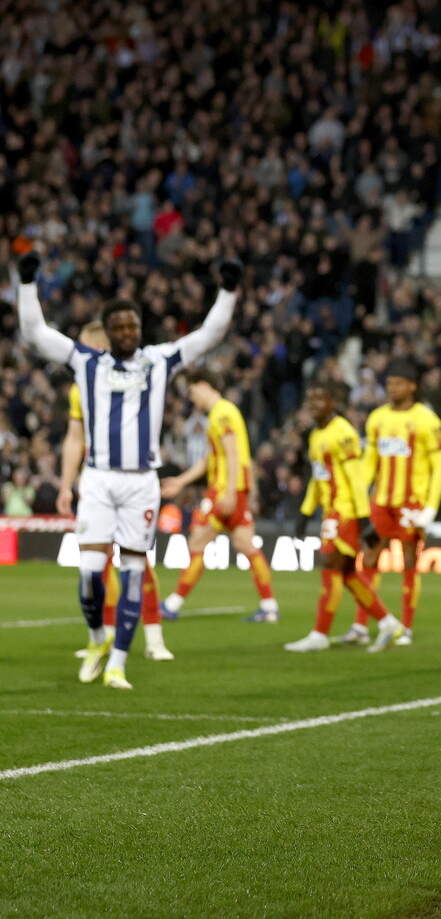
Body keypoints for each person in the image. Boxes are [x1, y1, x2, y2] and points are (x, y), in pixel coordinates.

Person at [18, 252, 240, 690]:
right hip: (99, 478)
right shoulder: (86, 361)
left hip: (141, 482)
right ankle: (97, 639)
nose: (126, 333)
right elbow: (35, 333)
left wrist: (229, 291)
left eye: (132, 326)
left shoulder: (159, 360)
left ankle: (118, 663)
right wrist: (26, 284)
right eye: (118, 327)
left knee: (134, 572)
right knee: (89, 574)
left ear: (139, 329)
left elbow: (210, 334)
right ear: (108, 332)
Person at [59, 322, 172, 661]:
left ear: (99, 345)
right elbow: (75, 437)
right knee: (98, 564)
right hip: (97, 484)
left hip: (134, 482)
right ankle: (104, 635)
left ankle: (154, 637)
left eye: (84, 345)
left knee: (136, 563)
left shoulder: (141, 376)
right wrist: (66, 484)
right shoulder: (81, 387)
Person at [333, 358, 441, 647]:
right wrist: (357, 496)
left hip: (411, 505)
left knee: (409, 563)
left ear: (412, 386)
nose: (392, 389)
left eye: (398, 384)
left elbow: (439, 467)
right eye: (389, 384)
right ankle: (360, 626)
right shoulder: (377, 418)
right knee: (368, 560)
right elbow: (369, 463)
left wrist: (431, 508)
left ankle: (405, 627)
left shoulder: (427, 420)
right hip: (380, 503)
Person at [284, 380, 405, 653]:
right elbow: (318, 478)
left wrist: (363, 518)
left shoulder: (343, 433)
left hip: (345, 512)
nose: (313, 405)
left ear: (332, 403)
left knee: (329, 566)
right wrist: (305, 512)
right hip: (330, 512)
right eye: (310, 400)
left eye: (320, 399)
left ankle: (319, 634)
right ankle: (387, 623)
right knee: (348, 573)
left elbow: (356, 479)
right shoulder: (316, 435)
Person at [158, 367, 278, 623]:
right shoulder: (222, 413)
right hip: (234, 489)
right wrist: (181, 481)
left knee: (197, 543)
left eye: (192, 392)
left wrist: (230, 492)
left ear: (204, 384)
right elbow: (210, 458)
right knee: (245, 544)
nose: (192, 398)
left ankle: (172, 605)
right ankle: (269, 607)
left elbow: (233, 454)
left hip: (225, 490)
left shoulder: (222, 413)